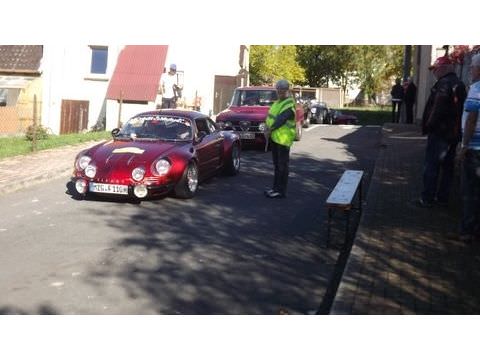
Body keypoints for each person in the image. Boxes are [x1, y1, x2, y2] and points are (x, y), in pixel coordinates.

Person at [418, 55, 466, 207]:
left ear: (444, 69)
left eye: (435, 69)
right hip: (453, 133)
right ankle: (443, 197)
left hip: (440, 132)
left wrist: (428, 126)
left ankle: (427, 198)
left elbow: (437, 109)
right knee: (447, 167)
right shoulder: (459, 84)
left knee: (431, 166)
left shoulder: (443, 84)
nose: (434, 72)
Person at [457, 53, 480, 242]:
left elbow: (471, 119)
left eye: (472, 67)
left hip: (474, 149)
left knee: (470, 191)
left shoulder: (476, 89)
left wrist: (464, 145)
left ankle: (467, 231)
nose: (470, 70)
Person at [263, 79, 296, 199]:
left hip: (283, 139)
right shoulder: (277, 103)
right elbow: (270, 116)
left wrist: (269, 129)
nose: (279, 93)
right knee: (277, 166)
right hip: (276, 138)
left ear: (287, 90)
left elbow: (281, 119)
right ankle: (275, 188)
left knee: (282, 166)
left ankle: (280, 191)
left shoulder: (289, 103)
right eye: (278, 91)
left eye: (282, 91)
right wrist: (266, 127)